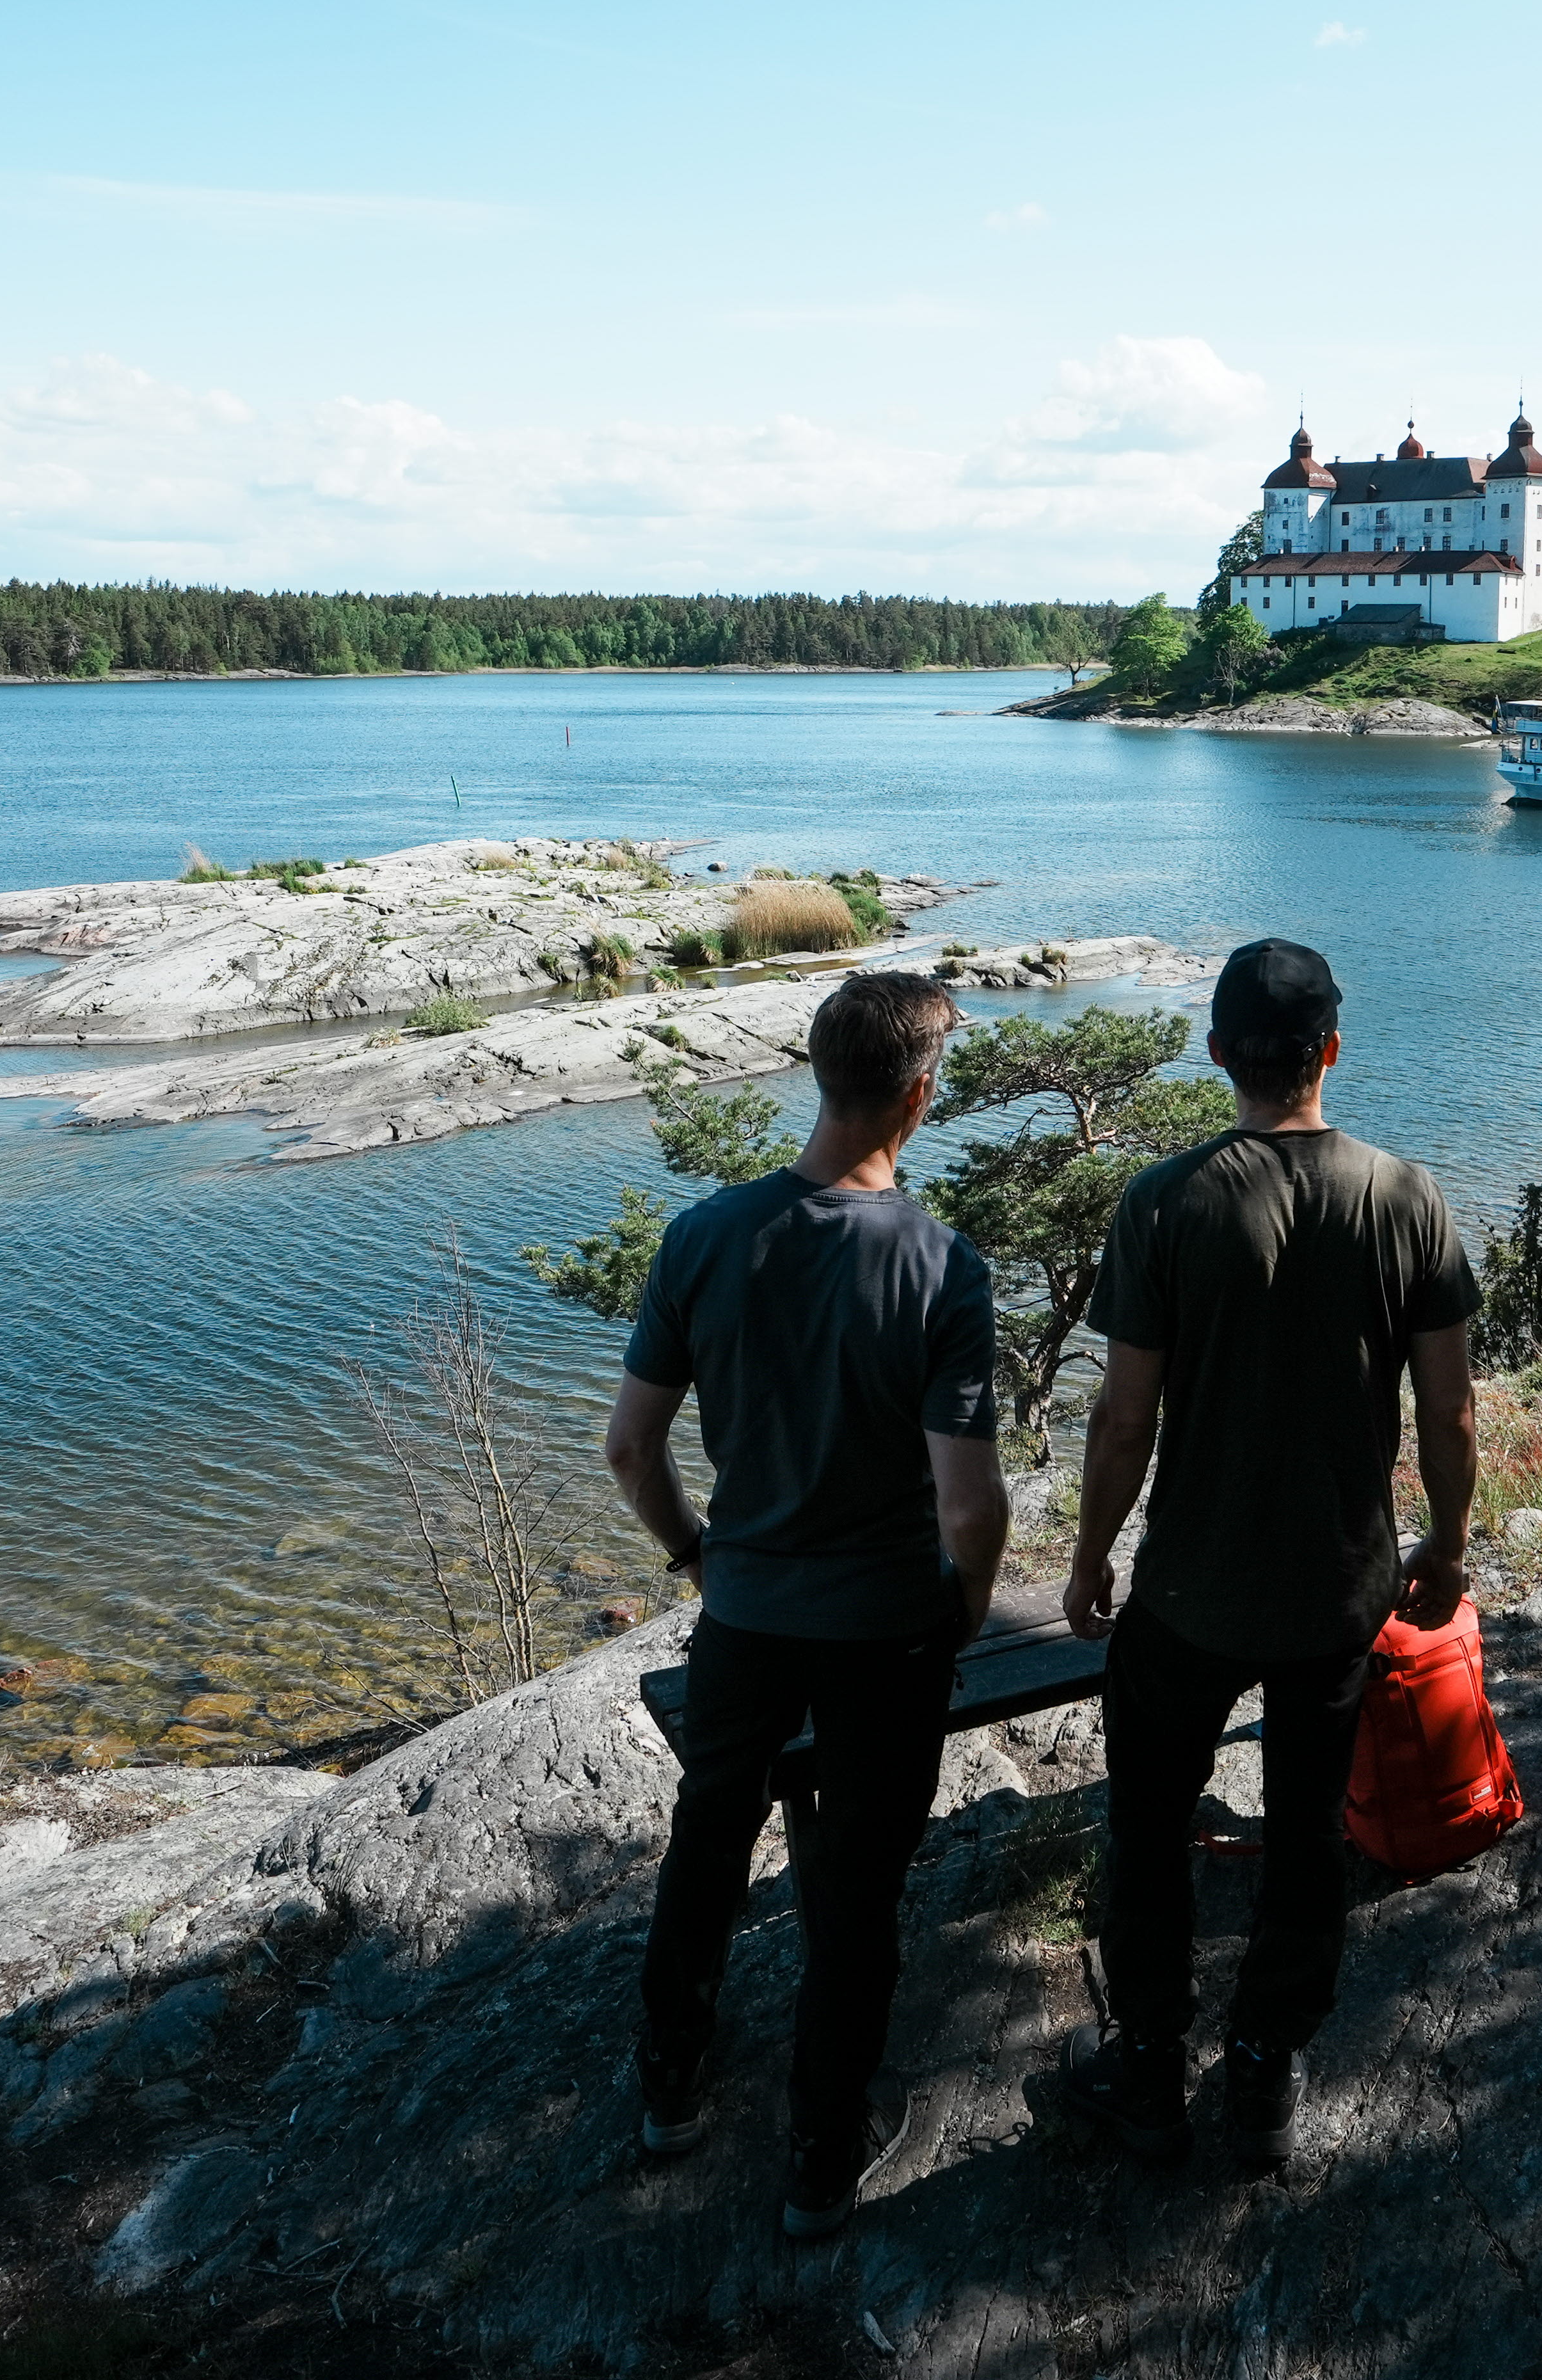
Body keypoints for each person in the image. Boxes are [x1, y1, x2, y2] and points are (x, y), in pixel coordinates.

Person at [1060, 936, 1479, 2167]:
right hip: (1338, 1589)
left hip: (1187, 1591)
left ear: (1215, 1055)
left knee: (1146, 1825)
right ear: (1331, 1051)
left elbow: (1123, 1413)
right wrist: (1447, 1545)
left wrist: (1090, 1561)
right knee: (1305, 1832)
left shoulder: (1164, 1201)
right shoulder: (1406, 1195)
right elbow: (1450, 1408)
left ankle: (1147, 2065)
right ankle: (1263, 2071)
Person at [605, 968, 1008, 2239]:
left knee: (709, 1841)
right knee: (855, 1887)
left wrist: (699, 1555)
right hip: (889, 1630)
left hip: (744, 1621)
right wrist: (967, 1601)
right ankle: (821, 2157)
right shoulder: (943, 1267)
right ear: (921, 1095)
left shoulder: (704, 1235)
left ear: (819, 1072)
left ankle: (671, 2085)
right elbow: (970, 1505)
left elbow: (629, 1444)